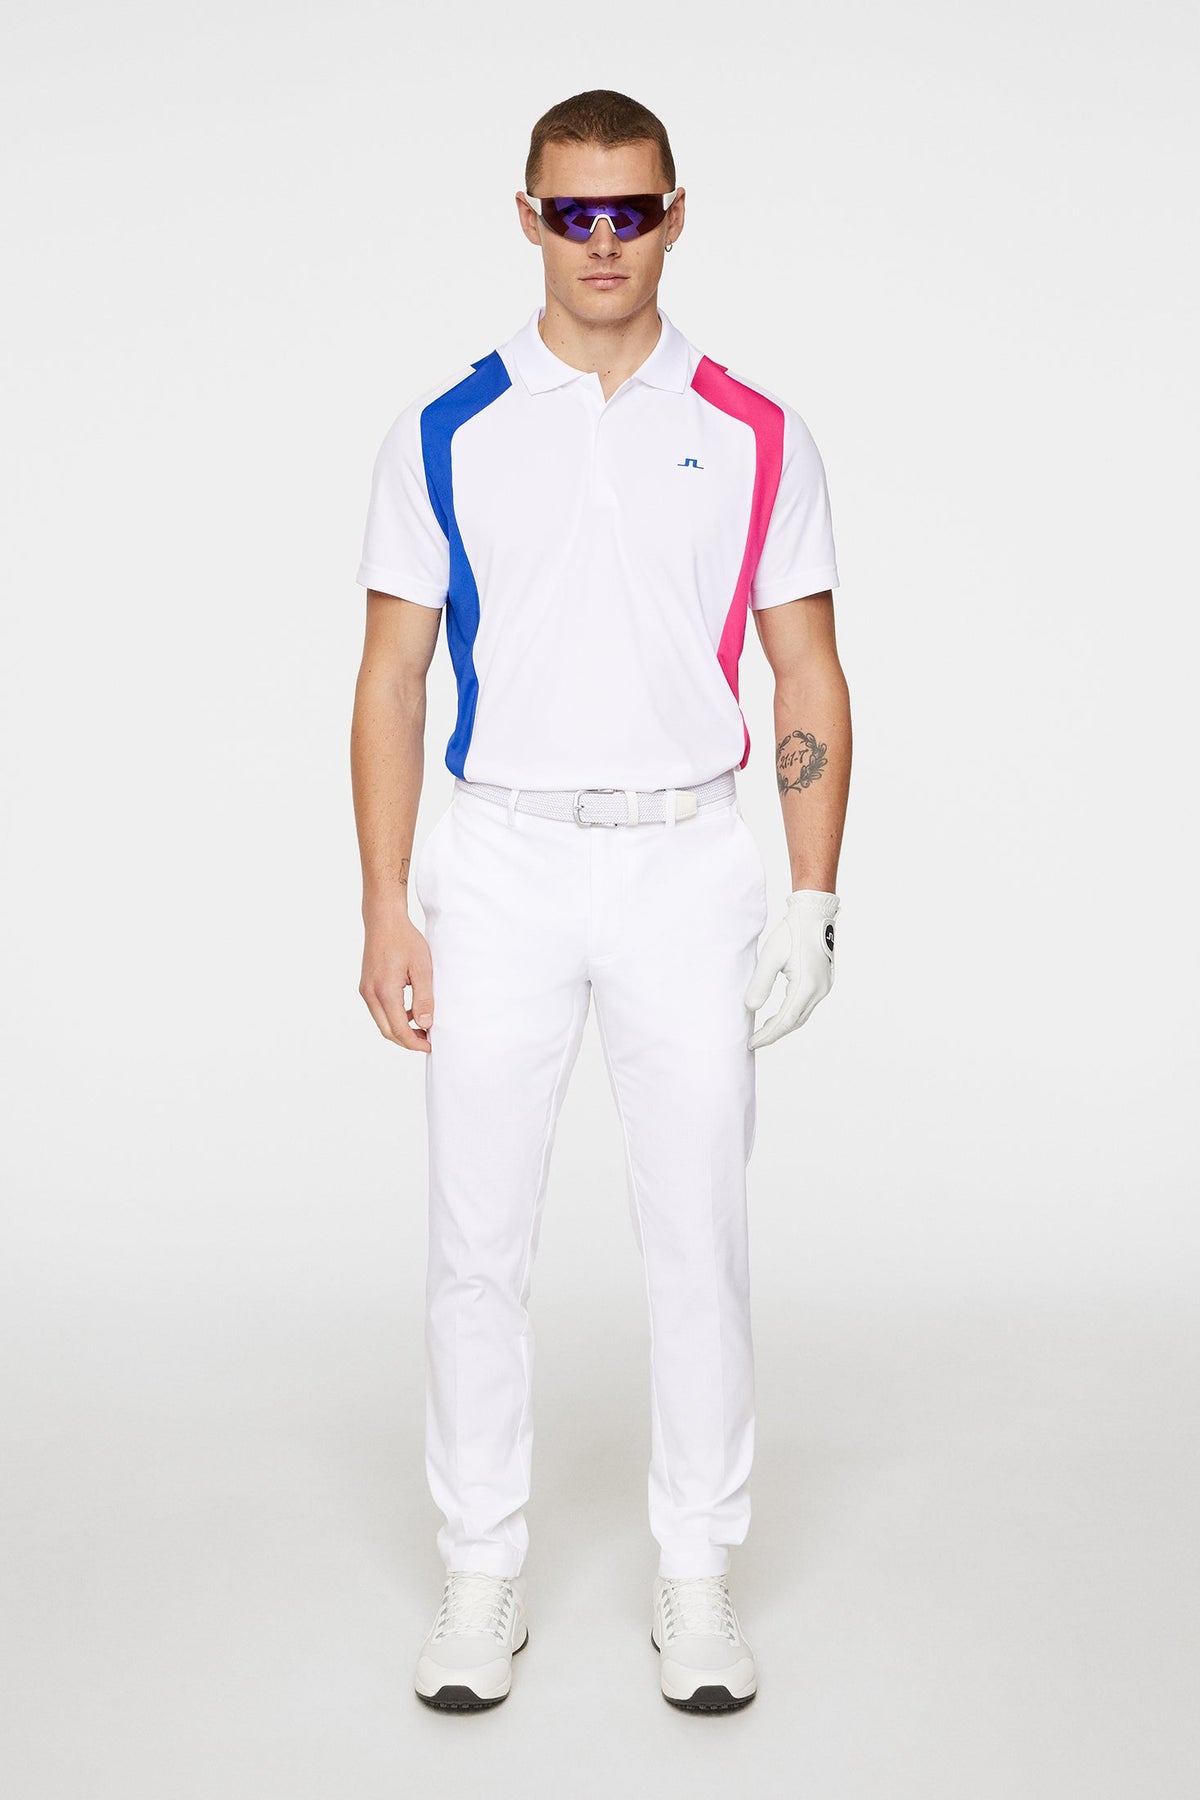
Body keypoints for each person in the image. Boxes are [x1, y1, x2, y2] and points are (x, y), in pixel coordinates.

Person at [350, 88, 852, 1714]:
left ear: (675, 214)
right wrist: (386, 904)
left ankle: (695, 1573)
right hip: (498, 859)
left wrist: (814, 895)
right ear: (528, 220)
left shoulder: (754, 428)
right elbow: (392, 677)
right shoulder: (450, 427)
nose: (604, 241)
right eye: (574, 213)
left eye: (631, 210)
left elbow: (806, 667)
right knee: (476, 1237)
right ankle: (479, 1570)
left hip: (687, 858)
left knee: (698, 1229)